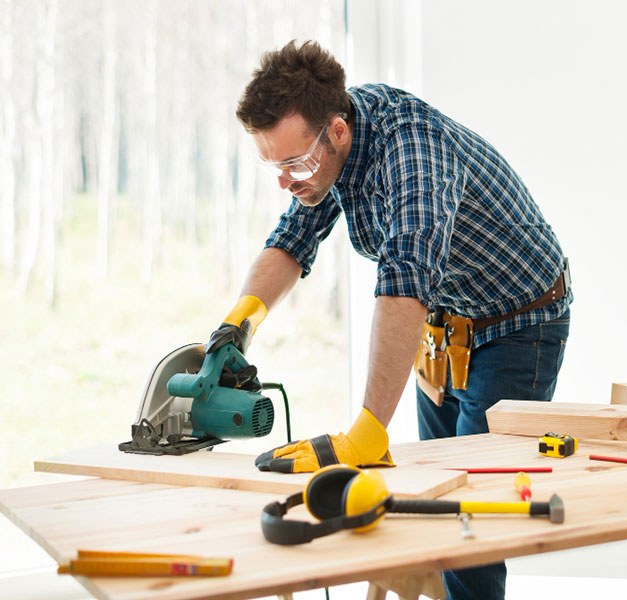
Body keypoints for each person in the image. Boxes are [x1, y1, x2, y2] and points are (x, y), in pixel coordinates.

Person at [207, 40, 572, 600]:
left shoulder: (413, 153)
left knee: (473, 516)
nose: (287, 180)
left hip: (521, 323)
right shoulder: (329, 155)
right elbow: (291, 240)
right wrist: (238, 325)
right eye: (273, 166)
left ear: (337, 131)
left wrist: (369, 432)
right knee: (434, 495)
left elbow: (405, 283)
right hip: (449, 326)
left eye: (294, 163)